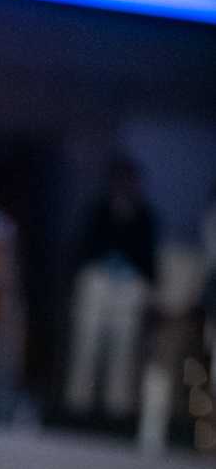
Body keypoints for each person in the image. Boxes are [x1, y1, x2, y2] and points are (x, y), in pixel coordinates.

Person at [65, 155, 158, 422]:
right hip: (98, 280)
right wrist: (102, 263)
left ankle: (116, 410)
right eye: (121, 180)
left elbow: (149, 256)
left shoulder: (146, 216)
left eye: (131, 180)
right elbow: (83, 247)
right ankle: (77, 405)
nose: (126, 185)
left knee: (124, 347)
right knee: (88, 342)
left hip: (129, 286)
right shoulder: (98, 210)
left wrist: (136, 273)